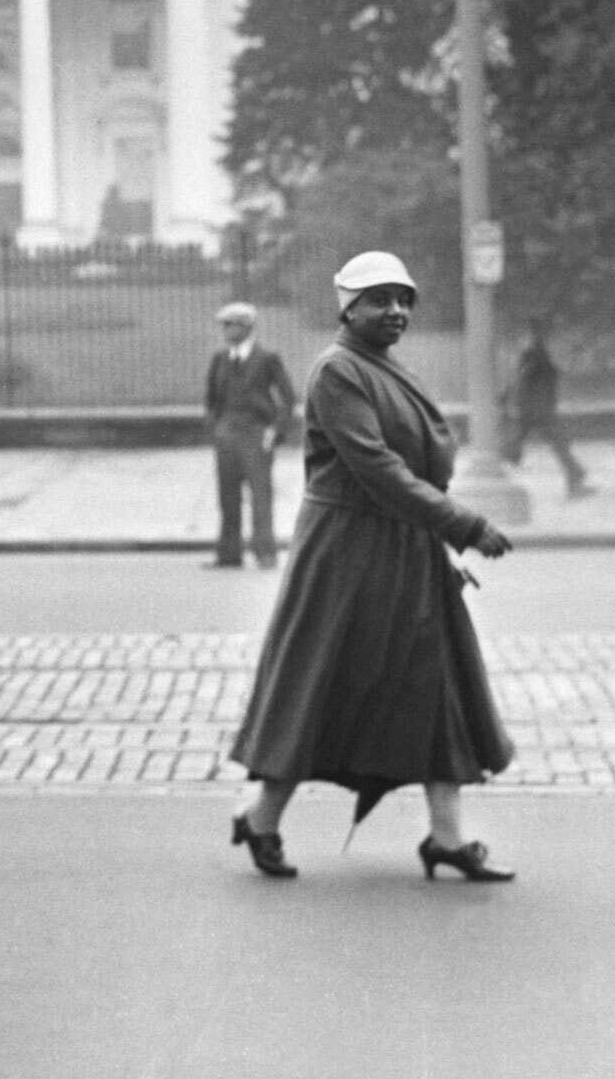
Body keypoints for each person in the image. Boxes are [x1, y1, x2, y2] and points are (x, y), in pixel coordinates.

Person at [229, 250, 517, 885]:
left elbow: (407, 470)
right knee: (322, 683)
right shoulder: (338, 371)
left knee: (437, 681)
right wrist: (465, 526)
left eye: (404, 299)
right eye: (379, 299)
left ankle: (447, 838)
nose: (395, 311)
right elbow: (380, 470)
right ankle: (261, 816)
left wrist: (438, 545)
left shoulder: (381, 364)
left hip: (406, 547)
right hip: (347, 556)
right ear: (347, 307)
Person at [203, 300, 298, 569]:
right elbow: (211, 399)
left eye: (230, 325)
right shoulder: (220, 359)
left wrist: (275, 432)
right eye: (224, 325)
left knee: (260, 497)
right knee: (228, 498)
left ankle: (265, 553)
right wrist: (215, 429)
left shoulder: (267, 359)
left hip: (257, 436)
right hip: (227, 438)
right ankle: (229, 555)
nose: (225, 331)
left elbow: (288, 399)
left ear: (246, 327)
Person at [502, 316, 591, 500]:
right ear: (540, 331)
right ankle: (575, 478)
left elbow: (529, 376)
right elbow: (524, 376)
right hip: (537, 408)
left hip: (535, 407)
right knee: (558, 444)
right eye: (545, 329)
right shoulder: (534, 351)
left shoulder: (537, 350)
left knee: (545, 444)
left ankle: (575, 477)